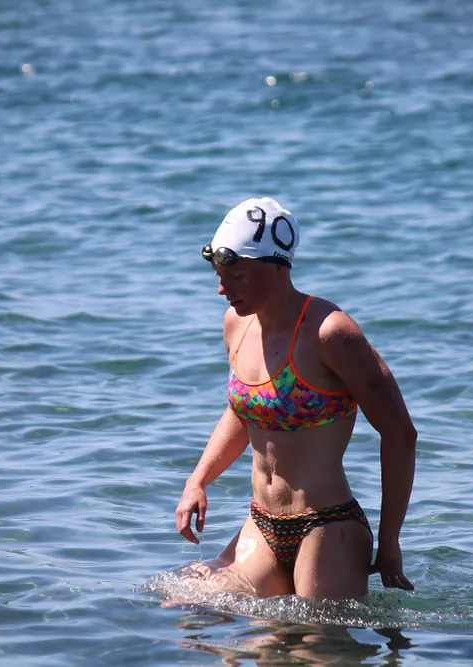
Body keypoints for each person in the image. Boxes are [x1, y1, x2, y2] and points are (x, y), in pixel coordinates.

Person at [175, 197, 417, 600]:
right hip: (262, 523)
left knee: (315, 637)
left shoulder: (330, 333)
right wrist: (196, 482)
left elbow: (400, 434)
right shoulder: (236, 324)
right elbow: (245, 411)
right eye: (219, 275)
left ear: (277, 267)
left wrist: (390, 540)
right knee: (189, 607)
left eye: (236, 275)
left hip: (327, 525)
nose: (222, 289)